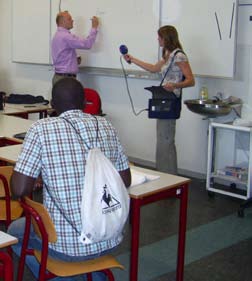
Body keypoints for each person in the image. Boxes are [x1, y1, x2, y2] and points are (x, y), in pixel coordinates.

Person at [8, 78, 131, 281]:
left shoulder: (41, 129)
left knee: (15, 231)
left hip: (68, 246)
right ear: (84, 104)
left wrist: (41, 172)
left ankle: (62, 277)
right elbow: (124, 180)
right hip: (109, 235)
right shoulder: (107, 126)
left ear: (52, 106)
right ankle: (91, 274)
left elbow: (19, 189)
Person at [123, 25, 195, 175]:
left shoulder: (179, 56)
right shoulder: (168, 54)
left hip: (171, 101)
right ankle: (165, 174)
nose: (158, 39)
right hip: (163, 99)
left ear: (167, 38)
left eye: (159, 37)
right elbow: (153, 68)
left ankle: (169, 178)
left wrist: (175, 84)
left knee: (166, 142)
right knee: (163, 141)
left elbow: (190, 80)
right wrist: (133, 59)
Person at [51, 11, 99, 85]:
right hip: (65, 80)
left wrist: (74, 60)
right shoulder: (66, 36)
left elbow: (62, 55)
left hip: (60, 78)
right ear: (62, 21)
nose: (72, 20)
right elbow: (87, 44)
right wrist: (94, 27)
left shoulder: (57, 35)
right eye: (69, 19)